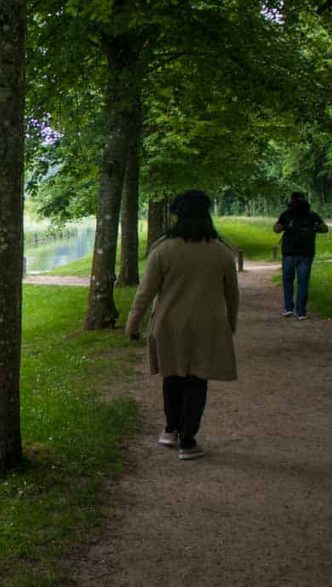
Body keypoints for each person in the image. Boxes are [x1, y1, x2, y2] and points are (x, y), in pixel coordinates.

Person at [126, 190, 239, 461]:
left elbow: (146, 292)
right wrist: (231, 323)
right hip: (207, 325)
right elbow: (232, 294)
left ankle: (170, 429)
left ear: (176, 214)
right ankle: (188, 441)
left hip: (169, 325)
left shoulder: (163, 249)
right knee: (197, 380)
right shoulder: (221, 252)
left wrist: (133, 324)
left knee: (172, 375)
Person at [274, 191, 328, 320]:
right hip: (306, 253)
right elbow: (325, 228)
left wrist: (285, 226)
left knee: (287, 280)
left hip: (288, 252)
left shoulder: (287, 215)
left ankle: (288, 308)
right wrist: (313, 229)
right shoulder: (312, 215)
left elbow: (276, 229)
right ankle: (301, 312)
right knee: (303, 282)